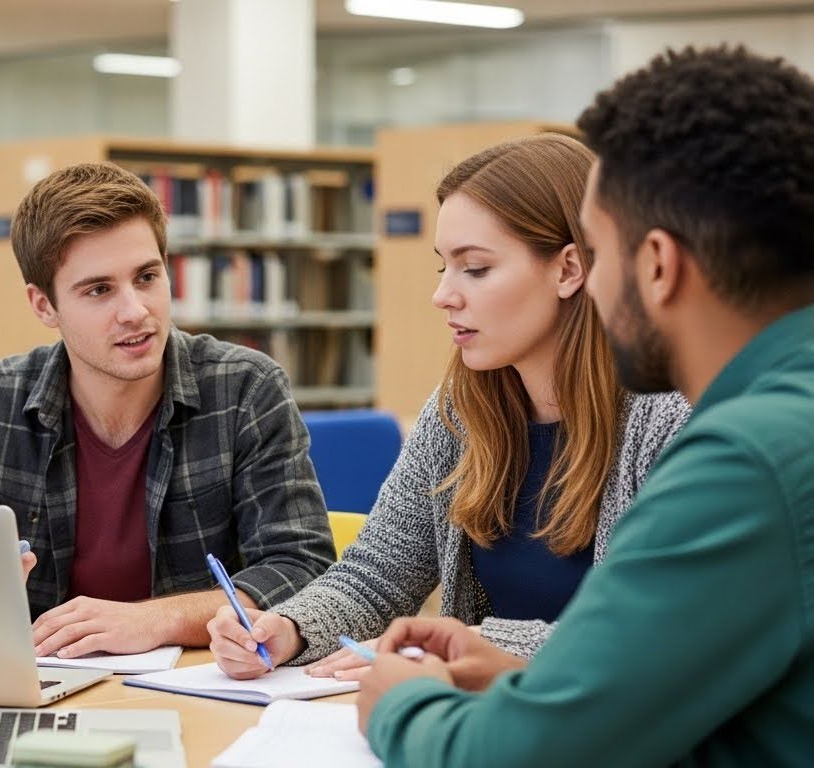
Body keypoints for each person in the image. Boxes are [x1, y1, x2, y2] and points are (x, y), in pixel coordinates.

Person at [358, 46, 814, 766]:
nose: (589, 288)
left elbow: (521, 756)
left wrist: (400, 704)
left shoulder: (745, 457)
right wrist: (523, 675)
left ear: (657, 266)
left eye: (597, 253)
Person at [208, 133, 690, 681]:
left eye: (476, 268)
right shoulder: (459, 411)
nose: (443, 295)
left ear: (568, 269)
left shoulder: (672, 416)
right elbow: (377, 576)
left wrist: (467, 646)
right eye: (445, 267)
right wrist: (289, 627)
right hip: (503, 723)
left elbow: (662, 629)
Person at [0, 162, 334, 658]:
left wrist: (153, 619)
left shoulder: (245, 388)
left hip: (196, 691)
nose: (136, 310)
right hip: (46, 688)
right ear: (44, 306)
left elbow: (302, 569)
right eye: (99, 290)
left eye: (147, 277)